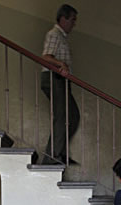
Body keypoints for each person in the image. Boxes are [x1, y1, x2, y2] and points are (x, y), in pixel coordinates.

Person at [41, 4, 80, 165]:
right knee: (62, 117)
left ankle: (58, 153)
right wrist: (61, 64)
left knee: (72, 116)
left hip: (61, 80)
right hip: (53, 78)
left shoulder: (62, 36)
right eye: (72, 20)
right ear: (63, 18)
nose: (74, 24)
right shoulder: (54, 34)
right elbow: (46, 57)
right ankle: (53, 156)